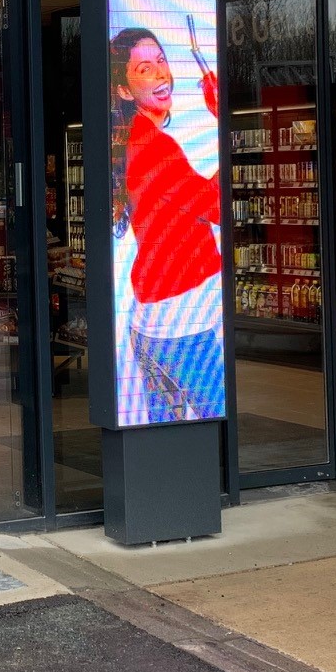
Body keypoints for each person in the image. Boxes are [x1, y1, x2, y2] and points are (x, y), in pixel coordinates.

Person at [110, 26, 225, 420]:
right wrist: (224, 121)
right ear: (124, 91)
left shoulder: (138, 139)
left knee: (165, 437)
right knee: (217, 425)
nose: (160, 74)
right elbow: (216, 206)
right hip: (181, 326)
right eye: (144, 68)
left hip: (157, 324)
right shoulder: (153, 147)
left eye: (161, 61)